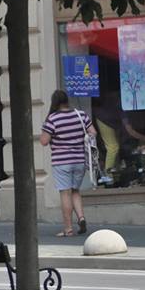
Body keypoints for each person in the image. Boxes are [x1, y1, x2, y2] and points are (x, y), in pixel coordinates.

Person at [40, 89, 97, 237]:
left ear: (54, 102)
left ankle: (68, 229)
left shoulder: (52, 119)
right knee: (75, 191)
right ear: (67, 101)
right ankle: (81, 217)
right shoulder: (80, 115)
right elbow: (93, 132)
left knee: (65, 193)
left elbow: (44, 141)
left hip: (61, 162)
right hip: (79, 160)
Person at [93, 90, 145, 183]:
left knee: (116, 147)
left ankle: (116, 175)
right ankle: (108, 178)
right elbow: (131, 131)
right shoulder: (125, 107)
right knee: (113, 147)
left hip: (109, 118)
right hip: (103, 118)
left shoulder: (127, 103)